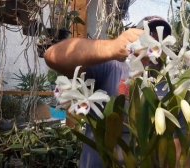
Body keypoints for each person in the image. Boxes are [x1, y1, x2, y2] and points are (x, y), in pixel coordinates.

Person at [44, 16, 175, 167]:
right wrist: (112, 47)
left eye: (161, 37)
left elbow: (176, 144)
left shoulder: (169, 85)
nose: (155, 39)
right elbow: (53, 56)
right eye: (149, 34)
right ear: (135, 37)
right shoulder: (113, 67)